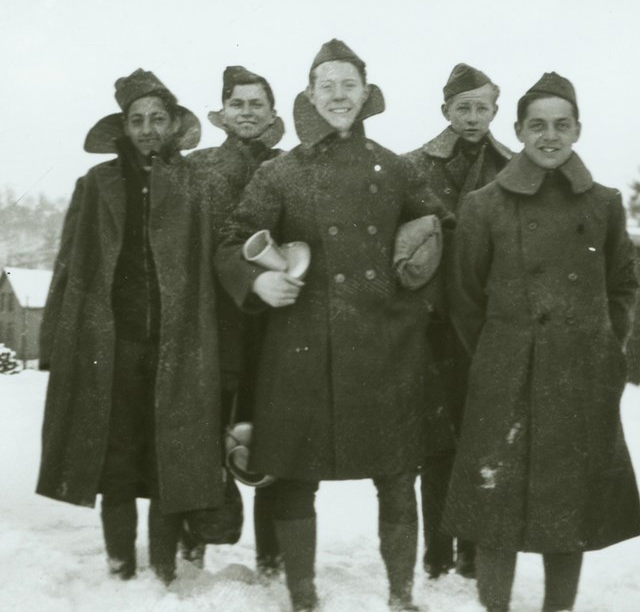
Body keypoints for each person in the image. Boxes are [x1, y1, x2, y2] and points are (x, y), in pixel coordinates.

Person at [215, 39, 454, 612]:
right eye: (328, 85)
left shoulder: (397, 168)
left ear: (366, 94)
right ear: (310, 95)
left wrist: (422, 264)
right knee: (296, 476)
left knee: (398, 475)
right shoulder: (282, 173)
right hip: (301, 348)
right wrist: (257, 281)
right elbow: (234, 239)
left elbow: (442, 228)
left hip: (386, 345)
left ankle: (401, 596)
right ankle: (303, 598)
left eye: (350, 85)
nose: (340, 95)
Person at [443, 72, 640, 612]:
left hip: (579, 376)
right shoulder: (485, 205)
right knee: (494, 508)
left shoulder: (602, 203)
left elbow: (622, 284)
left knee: (568, 508)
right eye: (537, 125)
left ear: (577, 130)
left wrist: (604, 342)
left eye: (561, 124)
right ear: (519, 131)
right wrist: (499, 354)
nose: (549, 136)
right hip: (505, 375)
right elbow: (464, 299)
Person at [36, 69, 225, 584]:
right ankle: (120, 565)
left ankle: (164, 566)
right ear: (124, 126)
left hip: (178, 345)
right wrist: (54, 340)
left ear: (173, 126)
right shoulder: (96, 185)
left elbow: (212, 263)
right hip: (110, 346)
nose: (146, 129)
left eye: (157, 119)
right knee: (114, 457)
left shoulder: (196, 183)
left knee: (172, 456)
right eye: (137, 120)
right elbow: (68, 266)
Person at [404, 63, 512, 579]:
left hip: (491, 326)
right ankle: (436, 552)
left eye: (482, 107)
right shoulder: (413, 166)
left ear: (496, 110)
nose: (472, 117)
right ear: (445, 110)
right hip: (432, 327)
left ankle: (473, 550)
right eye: (462, 107)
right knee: (437, 443)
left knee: (483, 440)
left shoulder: (514, 169)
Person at [186, 65, 285, 574]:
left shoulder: (291, 166)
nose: (247, 112)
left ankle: (272, 555)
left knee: (270, 435)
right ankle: (195, 547)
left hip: (275, 325)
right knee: (205, 432)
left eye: (257, 104)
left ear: (273, 113)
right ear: (222, 112)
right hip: (211, 323)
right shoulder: (196, 168)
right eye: (238, 103)